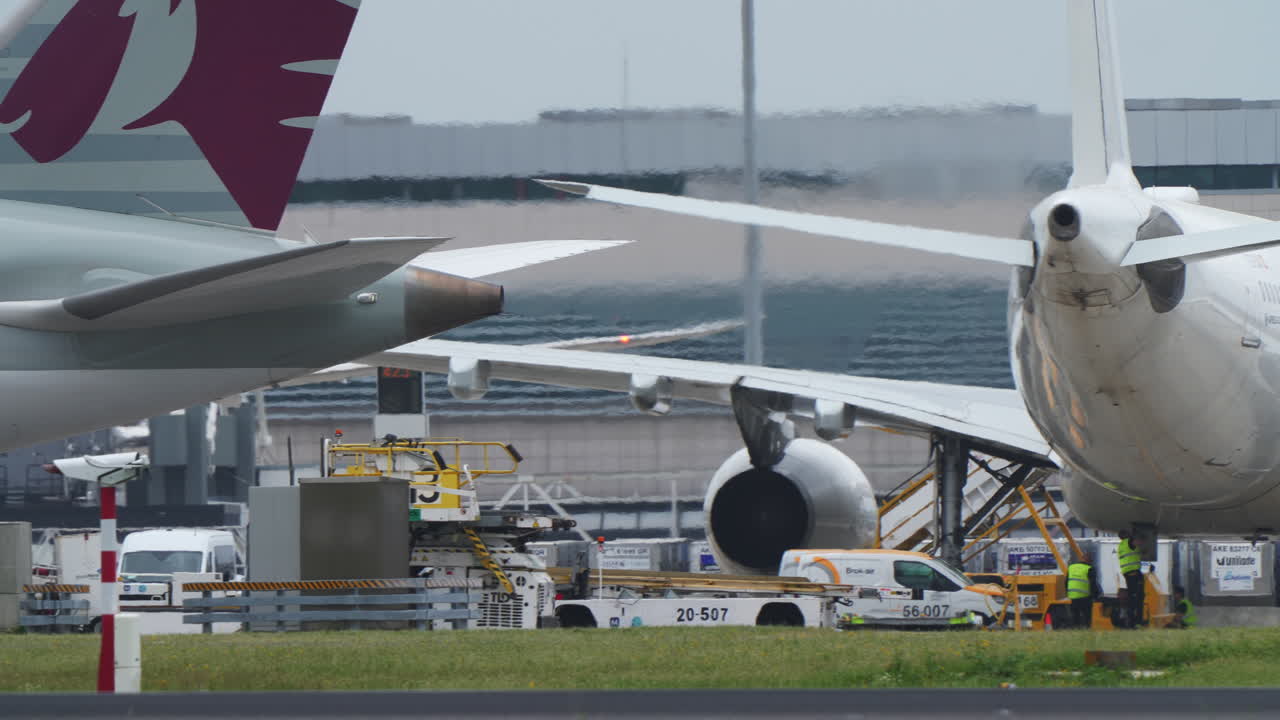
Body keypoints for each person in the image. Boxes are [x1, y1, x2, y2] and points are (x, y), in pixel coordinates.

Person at [1117, 530, 1145, 625]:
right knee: (1139, 598)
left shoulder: (1121, 546)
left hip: (1127, 573)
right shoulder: (1128, 542)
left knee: (1132, 597)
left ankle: (1131, 620)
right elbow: (1140, 542)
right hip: (1134, 573)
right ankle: (1136, 621)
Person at [1066, 554, 1098, 628]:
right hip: (1085, 597)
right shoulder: (1089, 568)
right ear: (1090, 561)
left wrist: (1068, 593)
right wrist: (1095, 596)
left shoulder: (1071, 567)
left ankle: (1075, 629)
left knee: (1075, 615)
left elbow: (1066, 582)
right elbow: (1093, 584)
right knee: (1087, 615)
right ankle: (1087, 628)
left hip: (1073, 596)